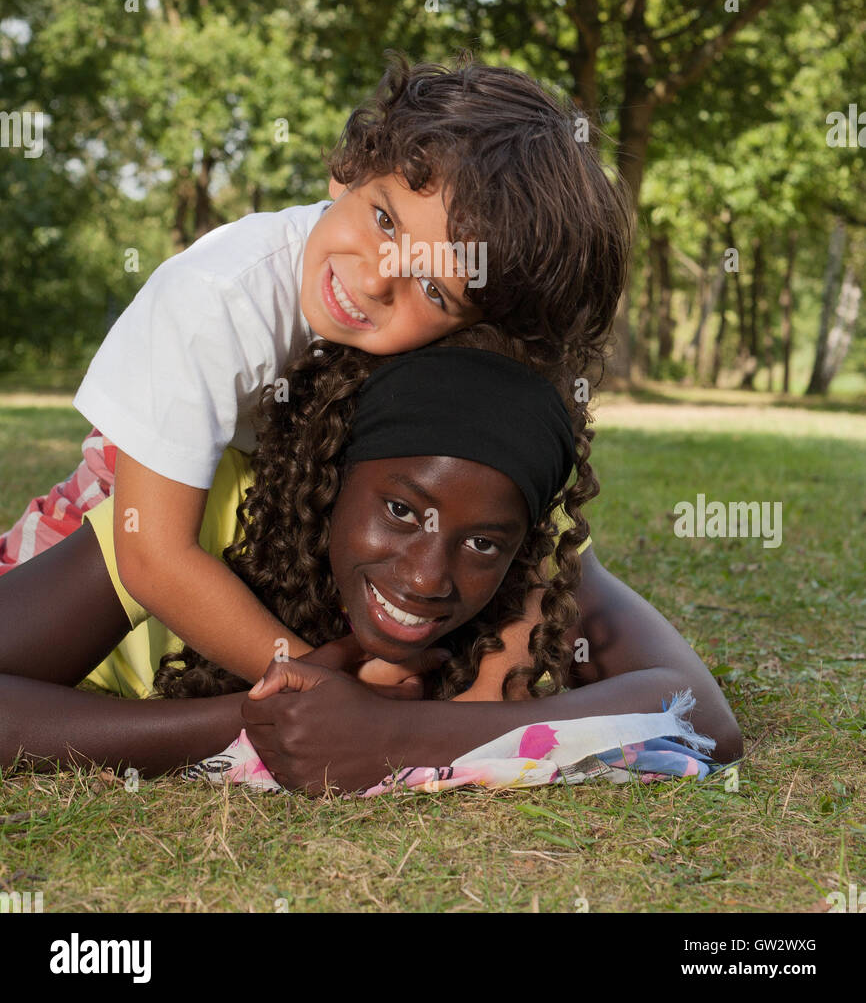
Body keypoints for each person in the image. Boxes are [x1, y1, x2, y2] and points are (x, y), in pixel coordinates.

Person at [0, 50, 632, 696]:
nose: (375, 279)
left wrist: (486, 696)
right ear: (348, 169)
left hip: (272, 542)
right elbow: (152, 557)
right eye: (384, 220)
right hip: (116, 527)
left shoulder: (452, 355)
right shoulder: (217, 298)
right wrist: (328, 685)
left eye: (435, 290)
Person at [0, 326, 743, 791]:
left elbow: (700, 715)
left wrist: (390, 736)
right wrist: (253, 717)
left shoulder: (531, 569)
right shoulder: (205, 513)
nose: (427, 575)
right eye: (401, 510)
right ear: (332, 475)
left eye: (483, 542)